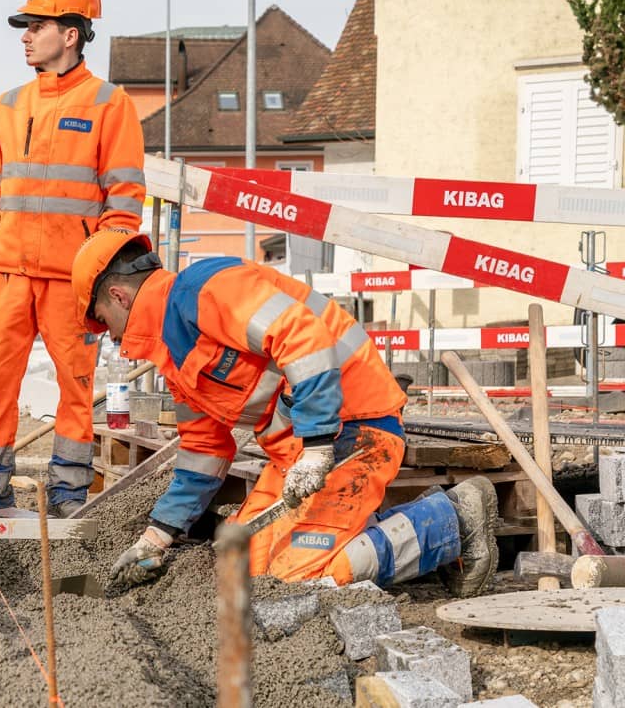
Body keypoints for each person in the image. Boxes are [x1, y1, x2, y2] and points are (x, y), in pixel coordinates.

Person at [70, 229, 499, 596]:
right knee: (240, 567)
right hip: (298, 456)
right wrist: (157, 536)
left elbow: (302, 336)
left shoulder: (206, 289)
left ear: (118, 295)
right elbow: (204, 450)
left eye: (103, 321)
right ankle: (395, 525)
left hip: (354, 427)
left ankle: (452, 517)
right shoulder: (173, 352)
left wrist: (315, 449)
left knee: (297, 579)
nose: (108, 335)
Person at [0, 0, 146, 517]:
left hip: (73, 281)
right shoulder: (7, 106)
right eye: (25, 26)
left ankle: (66, 497)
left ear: (70, 33)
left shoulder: (110, 105)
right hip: (8, 274)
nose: (24, 35)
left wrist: (103, 275)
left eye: (36, 25)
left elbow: (124, 202)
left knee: (76, 389)